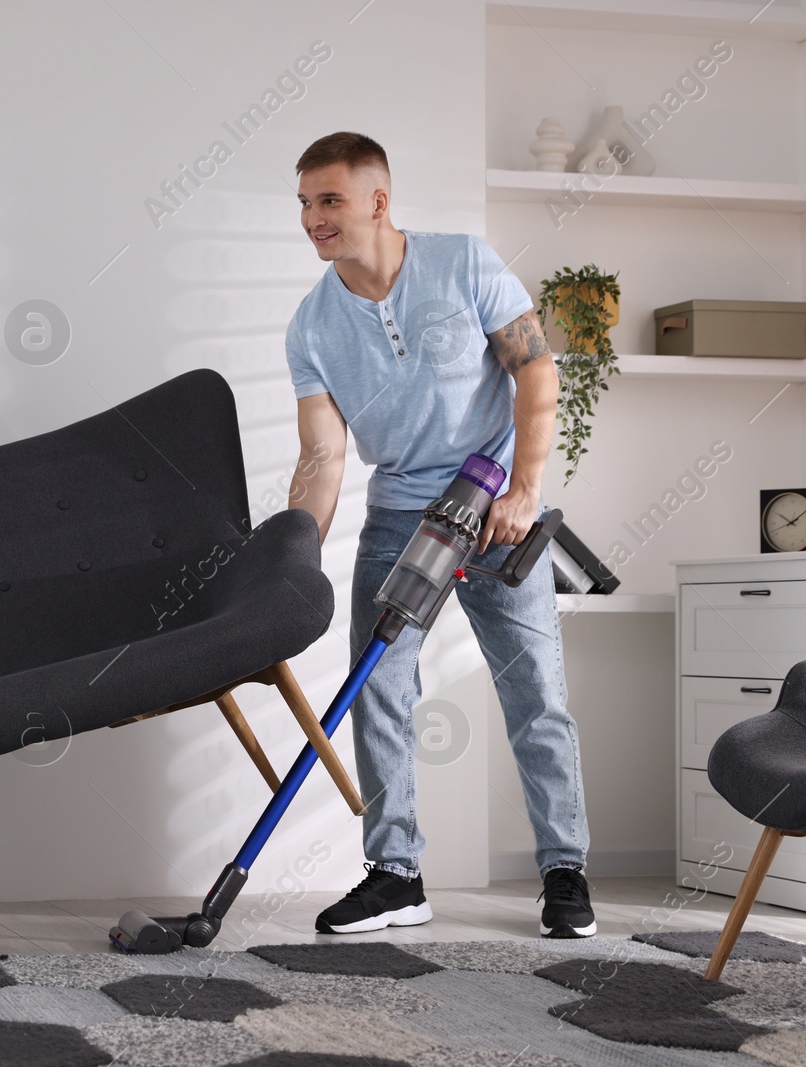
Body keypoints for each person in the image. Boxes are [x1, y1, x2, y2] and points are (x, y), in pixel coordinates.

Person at [283, 131, 595, 939]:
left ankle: (565, 871)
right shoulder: (311, 326)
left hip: (492, 504)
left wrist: (525, 489)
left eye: (330, 200)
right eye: (306, 203)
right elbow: (322, 455)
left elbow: (537, 370)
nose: (314, 218)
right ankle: (395, 875)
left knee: (536, 695)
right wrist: (293, 559)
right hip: (400, 517)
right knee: (378, 688)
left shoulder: (463, 264)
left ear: (377, 201)